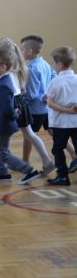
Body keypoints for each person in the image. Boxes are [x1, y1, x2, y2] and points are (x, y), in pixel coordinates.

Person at [0, 38, 54, 175]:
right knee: (28, 134)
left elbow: (15, 91)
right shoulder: (18, 66)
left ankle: (1, 164)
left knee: (3, 135)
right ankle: (45, 161)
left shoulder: (9, 69)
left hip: (15, 103)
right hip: (19, 102)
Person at [0, 48, 41, 184]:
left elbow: (7, 109)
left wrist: (14, 113)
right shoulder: (1, 81)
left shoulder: (4, 85)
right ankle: (3, 173)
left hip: (1, 126)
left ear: (3, 67)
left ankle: (29, 171)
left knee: (2, 153)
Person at [21, 35, 77, 172]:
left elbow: (31, 94)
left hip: (36, 110)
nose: (20, 52)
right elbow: (54, 77)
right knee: (54, 133)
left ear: (29, 51)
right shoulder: (45, 63)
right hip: (48, 109)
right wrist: (47, 95)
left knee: (28, 135)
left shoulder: (31, 69)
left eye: (22, 49)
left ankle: (24, 162)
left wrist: (18, 99)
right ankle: (74, 156)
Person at [45, 46, 77, 185]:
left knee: (58, 149)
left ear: (59, 64)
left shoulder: (56, 81)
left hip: (60, 123)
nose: (53, 65)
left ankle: (62, 176)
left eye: (53, 62)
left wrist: (66, 110)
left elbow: (50, 103)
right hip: (75, 122)